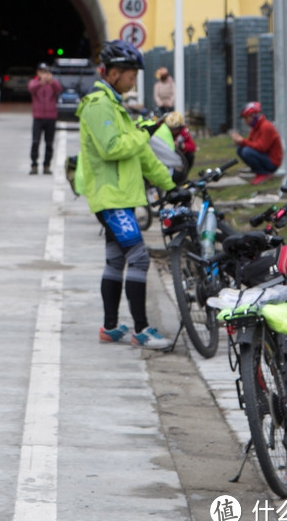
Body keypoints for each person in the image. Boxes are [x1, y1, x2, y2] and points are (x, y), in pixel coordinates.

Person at [76, 40, 176, 349]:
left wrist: (171, 187)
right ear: (115, 73)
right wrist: (142, 133)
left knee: (115, 262)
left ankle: (109, 327)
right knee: (139, 258)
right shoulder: (99, 105)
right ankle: (142, 329)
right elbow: (112, 148)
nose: (135, 80)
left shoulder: (116, 105)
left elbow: (141, 154)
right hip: (111, 198)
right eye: (132, 74)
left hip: (123, 197)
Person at [229, 101, 282, 185]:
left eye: (246, 118)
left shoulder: (266, 127)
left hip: (272, 162)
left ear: (253, 116)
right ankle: (258, 171)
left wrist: (243, 141)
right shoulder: (255, 128)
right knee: (240, 149)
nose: (245, 121)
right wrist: (240, 142)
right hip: (265, 157)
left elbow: (262, 147)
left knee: (247, 151)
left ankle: (263, 173)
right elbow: (251, 142)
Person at [28, 62, 63, 174]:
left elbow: (59, 89)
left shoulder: (53, 83)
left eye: (47, 72)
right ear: (38, 73)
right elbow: (31, 89)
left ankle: (47, 165)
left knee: (49, 143)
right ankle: (34, 165)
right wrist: (41, 82)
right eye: (42, 72)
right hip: (38, 117)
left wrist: (51, 81)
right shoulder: (34, 82)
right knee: (35, 141)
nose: (45, 75)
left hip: (50, 117)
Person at [163, 110, 196, 177]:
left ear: (180, 127)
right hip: (166, 154)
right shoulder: (164, 132)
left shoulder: (184, 133)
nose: (172, 131)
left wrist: (182, 145)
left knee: (190, 156)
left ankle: (184, 175)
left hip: (180, 156)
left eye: (174, 129)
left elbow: (193, 147)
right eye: (170, 128)